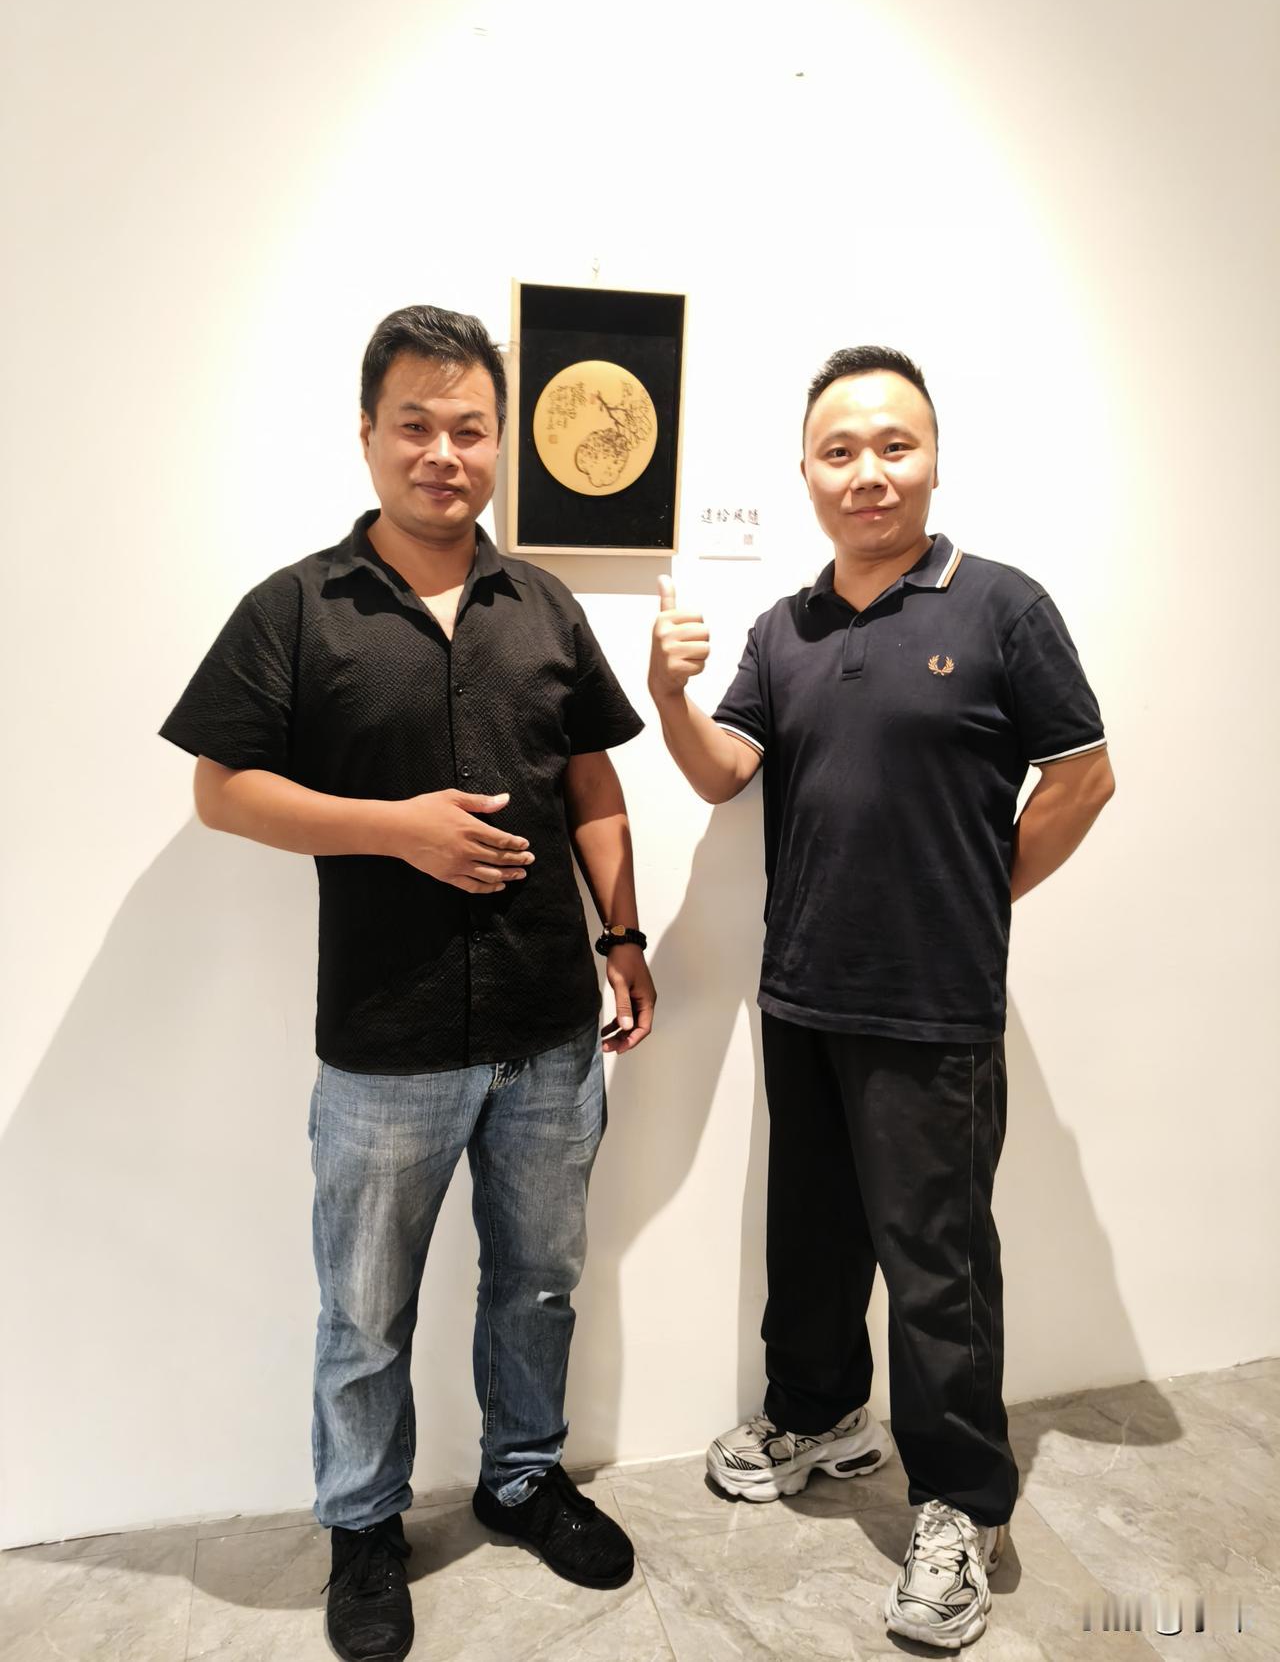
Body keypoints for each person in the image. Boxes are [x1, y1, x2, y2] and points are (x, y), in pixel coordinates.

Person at [161, 305, 655, 1662]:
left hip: (550, 1025)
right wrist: (398, 829)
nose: (445, 452)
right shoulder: (298, 606)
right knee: (366, 1312)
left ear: (499, 443)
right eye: (416, 425)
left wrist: (624, 935)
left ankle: (522, 1478)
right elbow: (221, 789)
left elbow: (595, 779)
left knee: (539, 1280)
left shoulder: (542, 602)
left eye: (470, 428)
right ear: (371, 435)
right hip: (387, 1039)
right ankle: (365, 1523)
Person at [648, 346, 1113, 1651]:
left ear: (934, 459)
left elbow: (1083, 776)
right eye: (839, 450)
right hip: (800, 991)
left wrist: (975, 896)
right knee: (810, 1236)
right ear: (806, 473)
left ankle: (962, 1502)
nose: (868, 471)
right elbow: (720, 772)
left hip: (934, 1004)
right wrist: (669, 694)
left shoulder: (1003, 606)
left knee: (935, 1270)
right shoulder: (784, 628)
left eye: (893, 445)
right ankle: (819, 1416)